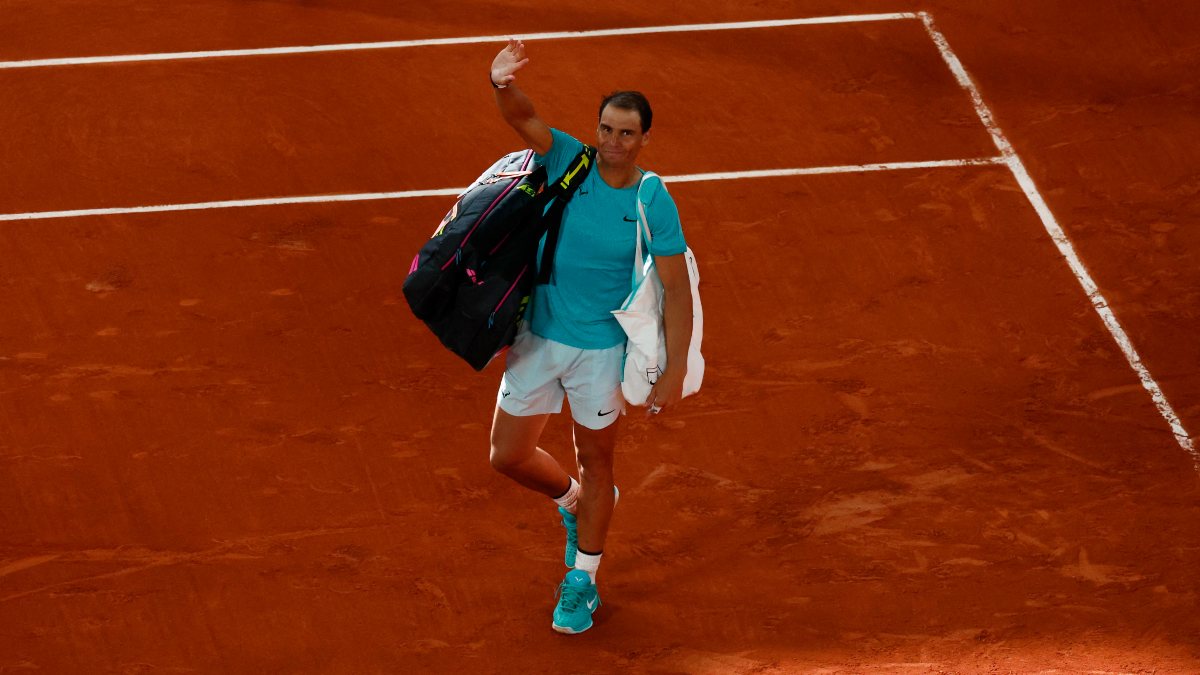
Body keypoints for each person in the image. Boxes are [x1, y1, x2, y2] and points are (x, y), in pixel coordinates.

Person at [487, 38, 693, 634]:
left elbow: (676, 291)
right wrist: (502, 83)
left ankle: (584, 579)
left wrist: (675, 369)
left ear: (644, 139)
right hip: (539, 338)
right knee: (508, 455)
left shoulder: (653, 199)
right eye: (606, 129)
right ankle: (572, 504)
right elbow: (525, 117)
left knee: (598, 462)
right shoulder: (569, 162)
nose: (613, 141)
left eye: (626, 133)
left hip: (601, 354)